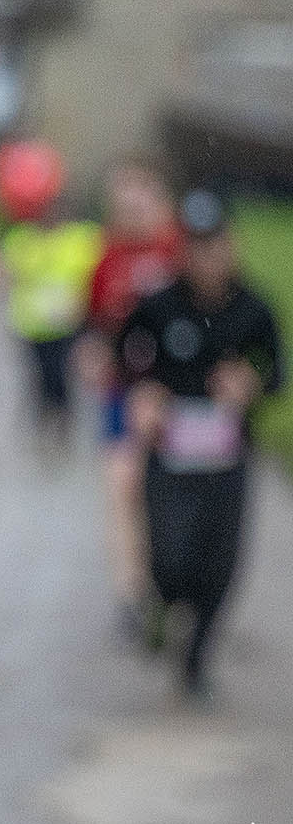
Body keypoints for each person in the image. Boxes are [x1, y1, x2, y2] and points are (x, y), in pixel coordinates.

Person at [117, 188, 282, 700]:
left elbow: (276, 373)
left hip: (226, 460)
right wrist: (142, 394)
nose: (206, 257)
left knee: (220, 564)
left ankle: (195, 660)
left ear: (231, 245)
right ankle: (163, 606)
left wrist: (250, 383)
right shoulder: (158, 306)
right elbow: (122, 357)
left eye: (215, 244)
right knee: (169, 557)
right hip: (170, 455)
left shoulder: (254, 309)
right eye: (196, 245)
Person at [80, 156, 182, 640]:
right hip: (121, 392)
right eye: (122, 196)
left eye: (140, 193)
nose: (132, 205)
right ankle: (132, 592)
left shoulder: (180, 251)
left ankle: (173, 582)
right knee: (122, 488)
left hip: (175, 395)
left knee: (169, 492)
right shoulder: (106, 258)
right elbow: (93, 323)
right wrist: (92, 355)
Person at [0, 140, 103, 446]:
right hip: (33, 326)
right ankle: (44, 419)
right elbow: (7, 278)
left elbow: (95, 278)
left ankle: (62, 419)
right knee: (40, 375)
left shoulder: (83, 238)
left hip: (69, 324)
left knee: (60, 375)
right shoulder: (22, 239)